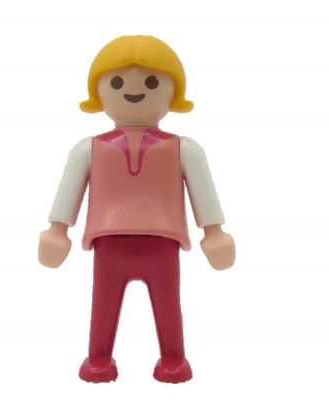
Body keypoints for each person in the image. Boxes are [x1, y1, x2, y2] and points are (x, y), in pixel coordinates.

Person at [38, 35, 235, 383]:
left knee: (167, 304)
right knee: (103, 304)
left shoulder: (183, 148)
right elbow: (70, 190)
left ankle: (173, 357)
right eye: (116, 83)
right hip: (109, 242)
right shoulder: (89, 149)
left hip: (162, 242)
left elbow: (202, 191)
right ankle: (99, 357)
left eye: (151, 82)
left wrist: (214, 232)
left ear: (173, 91)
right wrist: (57, 229)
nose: (133, 90)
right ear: (98, 92)